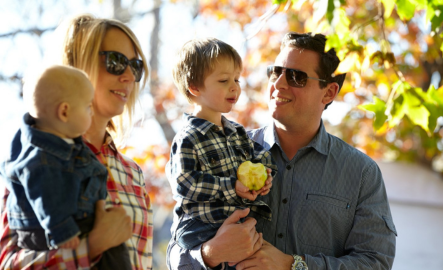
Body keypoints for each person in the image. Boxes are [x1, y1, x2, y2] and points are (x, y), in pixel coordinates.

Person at [167, 32, 397, 270]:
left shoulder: (362, 174)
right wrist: (211, 254)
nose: (278, 84)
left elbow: (375, 263)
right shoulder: (220, 146)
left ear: (329, 92)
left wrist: (293, 265)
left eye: (296, 77)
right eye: (276, 72)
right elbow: (176, 251)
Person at [0, 14, 153, 270]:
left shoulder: (133, 174)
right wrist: (90, 248)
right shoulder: (35, 159)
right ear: (76, 65)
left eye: (135, 66)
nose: (128, 76)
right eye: (115, 62)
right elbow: (7, 264)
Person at [0, 65, 130, 270]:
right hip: (67, 230)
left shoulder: (69, 148)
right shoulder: (41, 159)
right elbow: (47, 195)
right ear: (65, 111)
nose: (91, 111)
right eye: (88, 106)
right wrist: (64, 231)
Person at [166, 37, 277, 252]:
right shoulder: (188, 137)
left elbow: (262, 158)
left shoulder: (237, 132)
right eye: (224, 81)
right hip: (200, 226)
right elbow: (184, 183)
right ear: (195, 87)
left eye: (237, 80)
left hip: (237, 224)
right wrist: (232, 186)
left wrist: (265, 177)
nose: (234, 87)